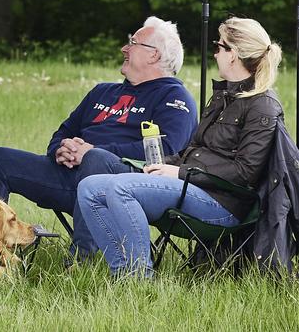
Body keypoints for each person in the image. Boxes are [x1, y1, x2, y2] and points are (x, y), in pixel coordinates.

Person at [0, 17, 197, 250]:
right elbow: (64, 131)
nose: (124, 48)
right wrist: (61, 149)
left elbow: (167, 150)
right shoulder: (103, 92)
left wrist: (92, 152)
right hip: (68, 176)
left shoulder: (174, 98)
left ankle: (81, 261)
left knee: (97, 160)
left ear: (154, 55)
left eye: (133, 42)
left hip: (124, 184)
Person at [76, 17, 284, 278]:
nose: (214, 52)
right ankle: (124, 271)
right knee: (90, 188)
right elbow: (194, 149)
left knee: (120, 188)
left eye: (219, 47)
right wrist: (163, 165)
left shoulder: (262, 105)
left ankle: (138, 278)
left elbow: (245, 172)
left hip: (224, 203)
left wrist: (181, 174)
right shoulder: (223, 96)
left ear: (234, 55)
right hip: (193, 186)